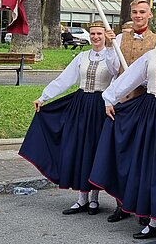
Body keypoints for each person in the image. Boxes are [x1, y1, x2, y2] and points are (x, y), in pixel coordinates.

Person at [90, 15, 156, 239]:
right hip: (152, 110)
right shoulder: (151, 55)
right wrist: (110, 97)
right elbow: (131, 77)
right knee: (153, 165)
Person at [19, 22, 119, 215]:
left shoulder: (111, 56)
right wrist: (44, 97)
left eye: (99, 33)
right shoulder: (82, 56)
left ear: (105, 35)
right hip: (81, 105)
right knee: (80, 149)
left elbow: (116, 72)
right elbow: (65, 79)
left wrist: (110, 48)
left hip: (101, 105)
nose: (96, 37)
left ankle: (94, 199)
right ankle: (82, 198)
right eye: (93, 33)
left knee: (94, 150)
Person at [102, 0, 156, 224]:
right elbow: (111, 70)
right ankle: (121, 204)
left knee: (142, 157)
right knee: (121, 155)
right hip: (122, 104)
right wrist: (109, 47)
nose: (138, 15)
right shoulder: (119, 39)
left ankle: (142, 207)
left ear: (150, 14)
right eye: (134, 12)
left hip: (144, 103)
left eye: (142, 12)